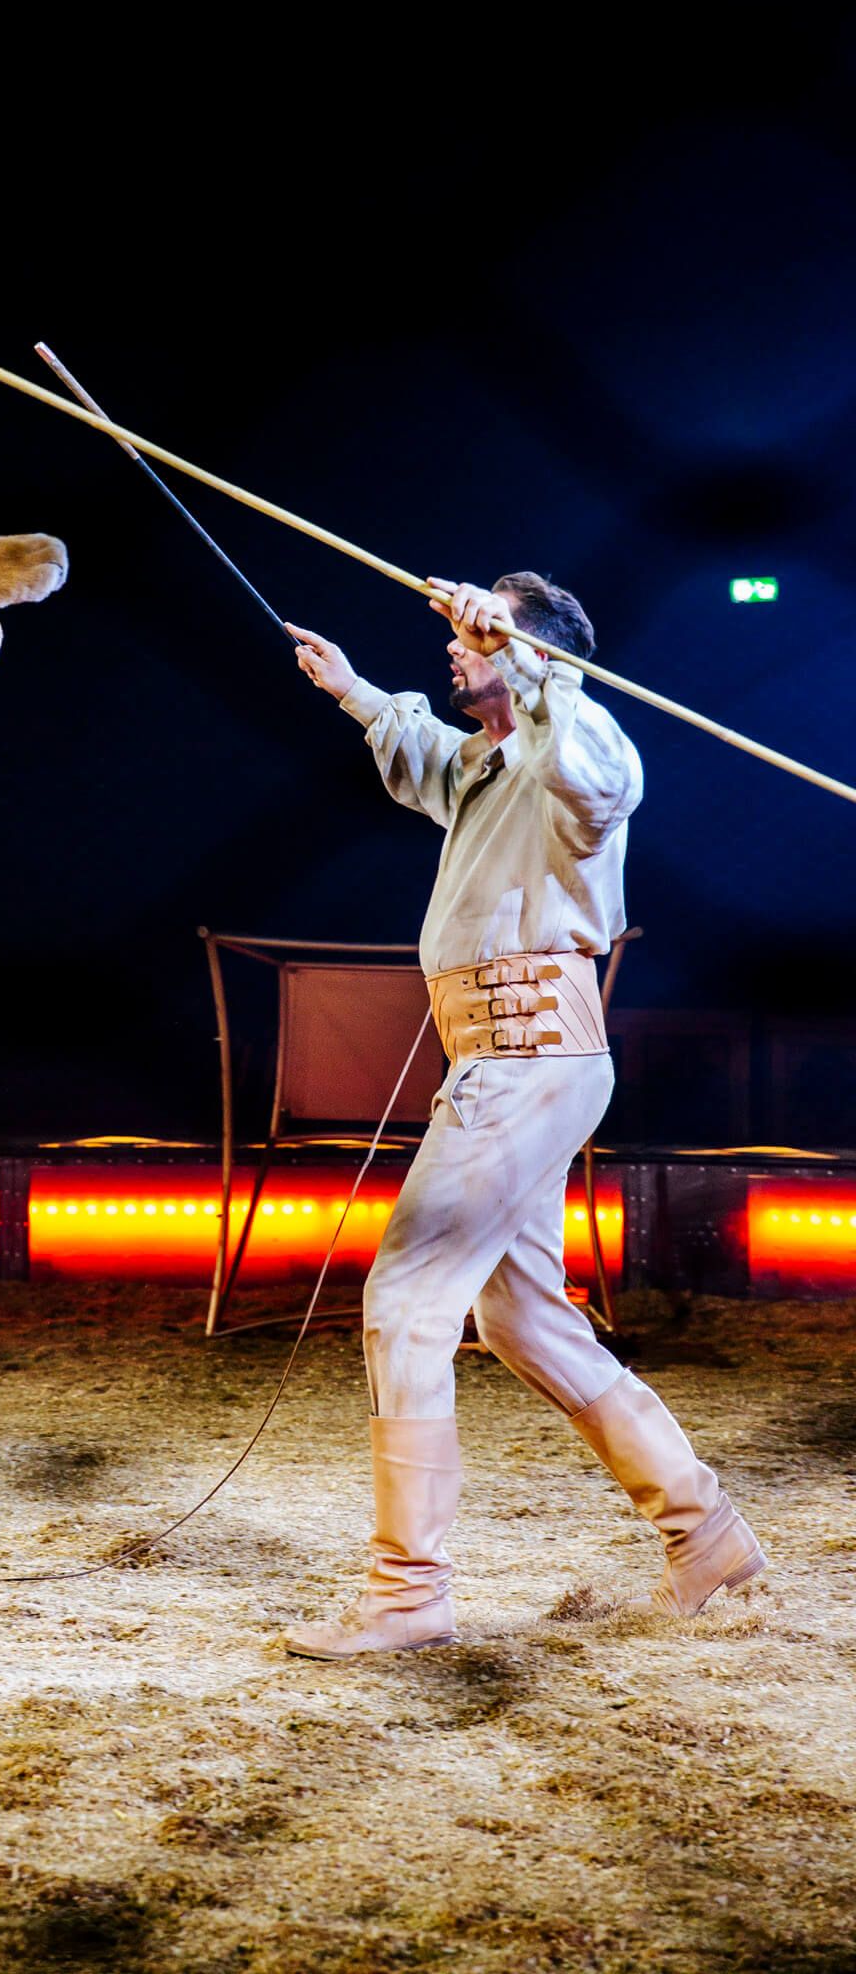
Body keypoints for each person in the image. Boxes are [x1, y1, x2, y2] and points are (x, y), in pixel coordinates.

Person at [280, 572, 765, 1658]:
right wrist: (356, 690)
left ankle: (407, 1592)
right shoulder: (488, 765)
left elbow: (593, 778)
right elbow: (426, 759)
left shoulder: (579, 753)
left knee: (406, 1295)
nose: (452, 648)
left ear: (529, 651)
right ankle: (707, 1535)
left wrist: (540, 672)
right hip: (504, 1057)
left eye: (470, 633)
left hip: (527, 1053)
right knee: (519, 1317)